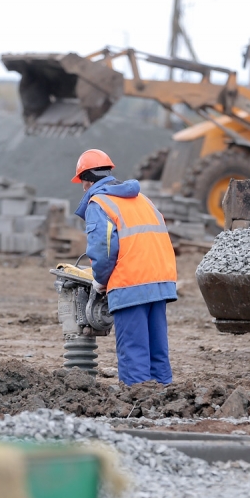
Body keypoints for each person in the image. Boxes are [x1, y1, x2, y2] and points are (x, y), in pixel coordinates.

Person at [72, 149, 177, 386]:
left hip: (131, 282)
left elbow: (102, 249)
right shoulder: (142, 199)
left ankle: (137, 400)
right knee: (156, 347)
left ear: (85, 181)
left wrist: (100, 280)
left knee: (134, 348)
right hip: (160, 278)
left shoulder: (99, 203)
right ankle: (165, 398)